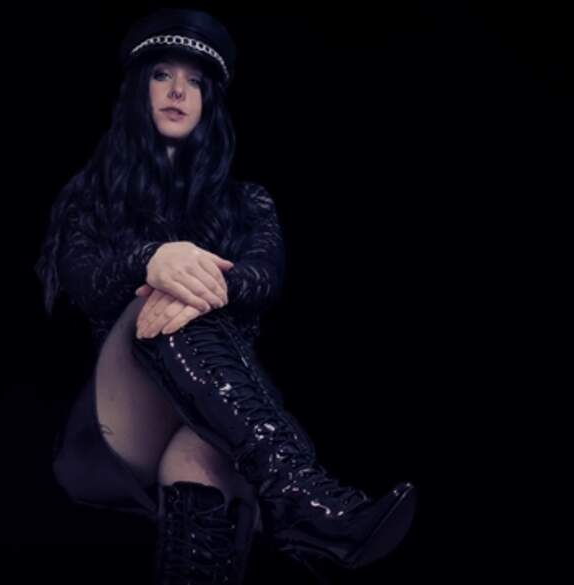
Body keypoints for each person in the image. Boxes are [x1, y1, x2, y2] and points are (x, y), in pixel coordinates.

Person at [35, 8, 416, 584]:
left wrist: (197, 284)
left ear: (210, 100)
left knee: (200, 461)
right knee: (160, 300)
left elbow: (264, 278)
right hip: (120, 425)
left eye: (194, 82)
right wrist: (152, 261)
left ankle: (282, 502)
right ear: (139, 88)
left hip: (219, 419)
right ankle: (300, 494)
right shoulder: (91, 195)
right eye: (162, 75)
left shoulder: (248, 202)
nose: (178, 92)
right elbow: (85, 282)